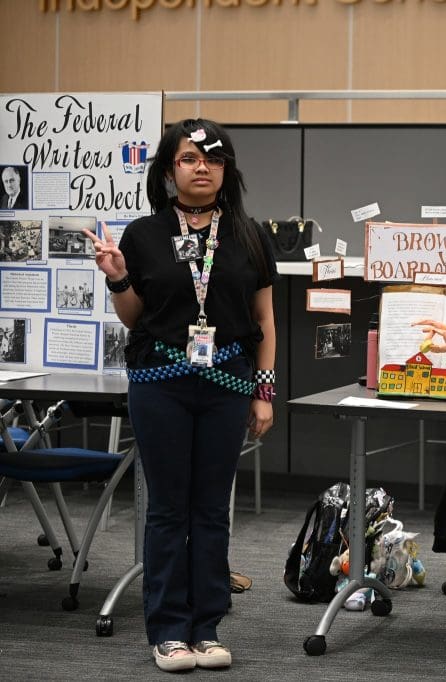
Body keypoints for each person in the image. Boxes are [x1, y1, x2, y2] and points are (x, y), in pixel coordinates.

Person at [83, 119, 278, 673]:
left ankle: (208, 625)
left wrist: (263, 393)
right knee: (168, 508)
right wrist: (119, 280)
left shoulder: (249, 234)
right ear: (169, 169)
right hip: (159, 384)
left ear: (227, 170)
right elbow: (135, 316)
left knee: (212, 508)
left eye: (212, 160)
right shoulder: (144, 234)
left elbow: (265, 318)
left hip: (228, 384)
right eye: (190, 158)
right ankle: (169, 630)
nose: (201, 168)